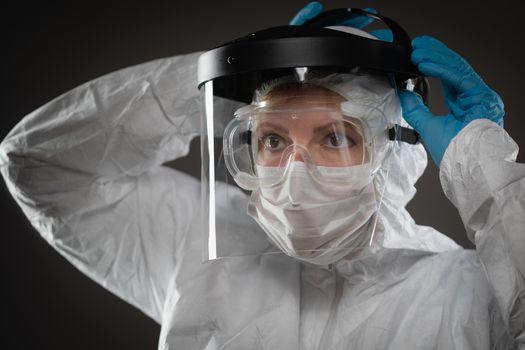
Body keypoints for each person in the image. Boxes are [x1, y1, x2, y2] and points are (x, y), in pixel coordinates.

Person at [1, 2, 523, 349]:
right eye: (273, 139)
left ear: (395, 152)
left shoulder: (472, 294)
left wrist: (484, 171)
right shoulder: (203, 249)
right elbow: (39, 163)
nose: (295, 175)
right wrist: (212, 80)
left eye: (335, 137)